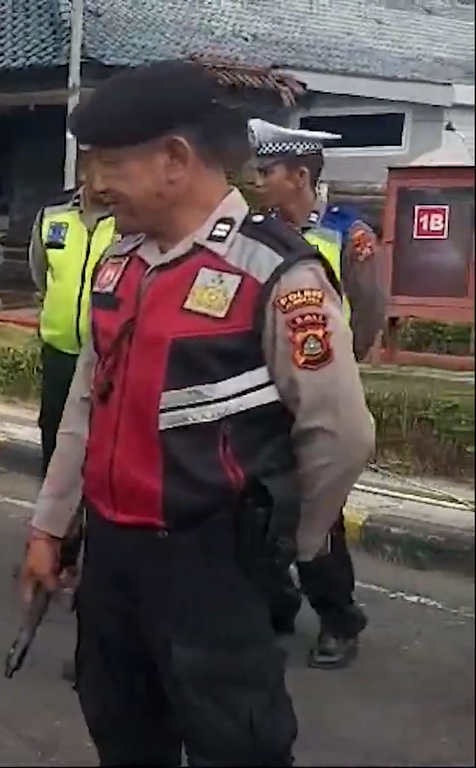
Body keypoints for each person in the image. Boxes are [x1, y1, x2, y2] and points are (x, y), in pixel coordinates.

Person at [19, 61, 376, 766]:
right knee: (122, 732)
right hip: (114, 561)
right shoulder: (118, 265)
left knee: (234, 742)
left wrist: (281, 549)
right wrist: (49, 526)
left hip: (214, 569)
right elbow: (87, 408)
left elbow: (340, 434)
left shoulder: (275, 273)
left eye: (108, 164)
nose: (93, 186)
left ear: (175, 161)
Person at [249, 118, 383, 669]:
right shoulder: (250, 230)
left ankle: (338, 618)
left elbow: (369, 307)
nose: (256, 181)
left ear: (300, 176)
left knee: (318, 510)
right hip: (262, 391)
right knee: (261, 505)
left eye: (267, 171)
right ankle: (274, 604)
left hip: (320, 389)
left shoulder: (347, 233)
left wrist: (341, 371)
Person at [28, 162, 116, 473]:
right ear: (83, 173)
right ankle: (53, 513)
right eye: (104, 172)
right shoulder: (52, 216)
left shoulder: (128, 221)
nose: (109, 184)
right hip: (59, 351)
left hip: (109, 355)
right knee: (53, 429)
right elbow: (40, 273)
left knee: (102, 437)